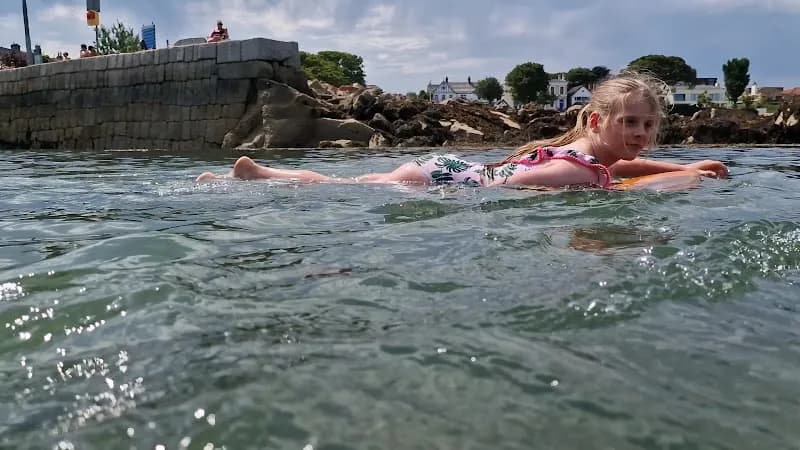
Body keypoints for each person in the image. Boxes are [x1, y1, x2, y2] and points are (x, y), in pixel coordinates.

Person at [196, 73, 729, 187]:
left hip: (455, 169)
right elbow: (511, 189)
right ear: (597, 121)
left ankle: (257, 173)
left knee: (355, 185)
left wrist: (683, 165)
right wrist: (686, 181)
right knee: (348, 189)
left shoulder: (585, 153)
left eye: (648, 124)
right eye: (629, 122)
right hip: (453, 183)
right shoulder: (582, 168)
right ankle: (260, 175)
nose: (639, 133)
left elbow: (625, 165)